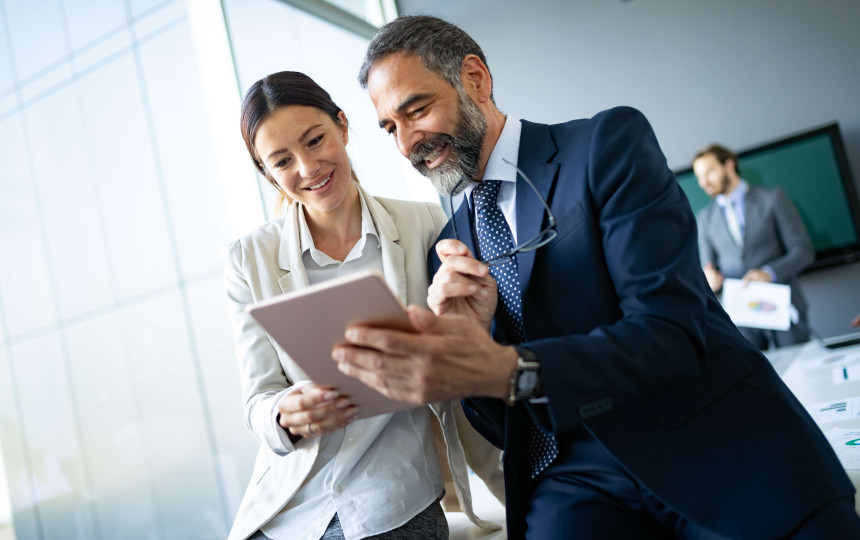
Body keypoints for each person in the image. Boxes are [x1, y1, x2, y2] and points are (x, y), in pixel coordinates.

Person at [329, 15, 860, 540]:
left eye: (416, 110)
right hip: (574, 486)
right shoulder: (449, 252)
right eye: (390, 128)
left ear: (475, 79)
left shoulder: (605, 146)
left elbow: (672, 333)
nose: (406, 143)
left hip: (716, 454)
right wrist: (467, 353)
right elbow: (502, 426)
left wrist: (506, 367)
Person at [221, 71, 503, 540]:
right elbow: (258, 399)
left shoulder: (425, 225)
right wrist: (285, 414)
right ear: (266, 172)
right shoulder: (248, 260)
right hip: (292, 509)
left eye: (315, 141)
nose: (309, 168)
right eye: (283, 160)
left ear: (343, 126)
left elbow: (465, 350)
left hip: (392, 499)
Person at [692, 144, 815, 350]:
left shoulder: (773, 198)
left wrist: (770, 273)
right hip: (742, 320)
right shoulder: (704, 218)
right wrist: (709, 279)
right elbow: (708, 268)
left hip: (784, 310)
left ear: (729, 165)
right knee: (754, 379)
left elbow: (803, 250)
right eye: (699, 177)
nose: (704, 182)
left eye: (710, 172)